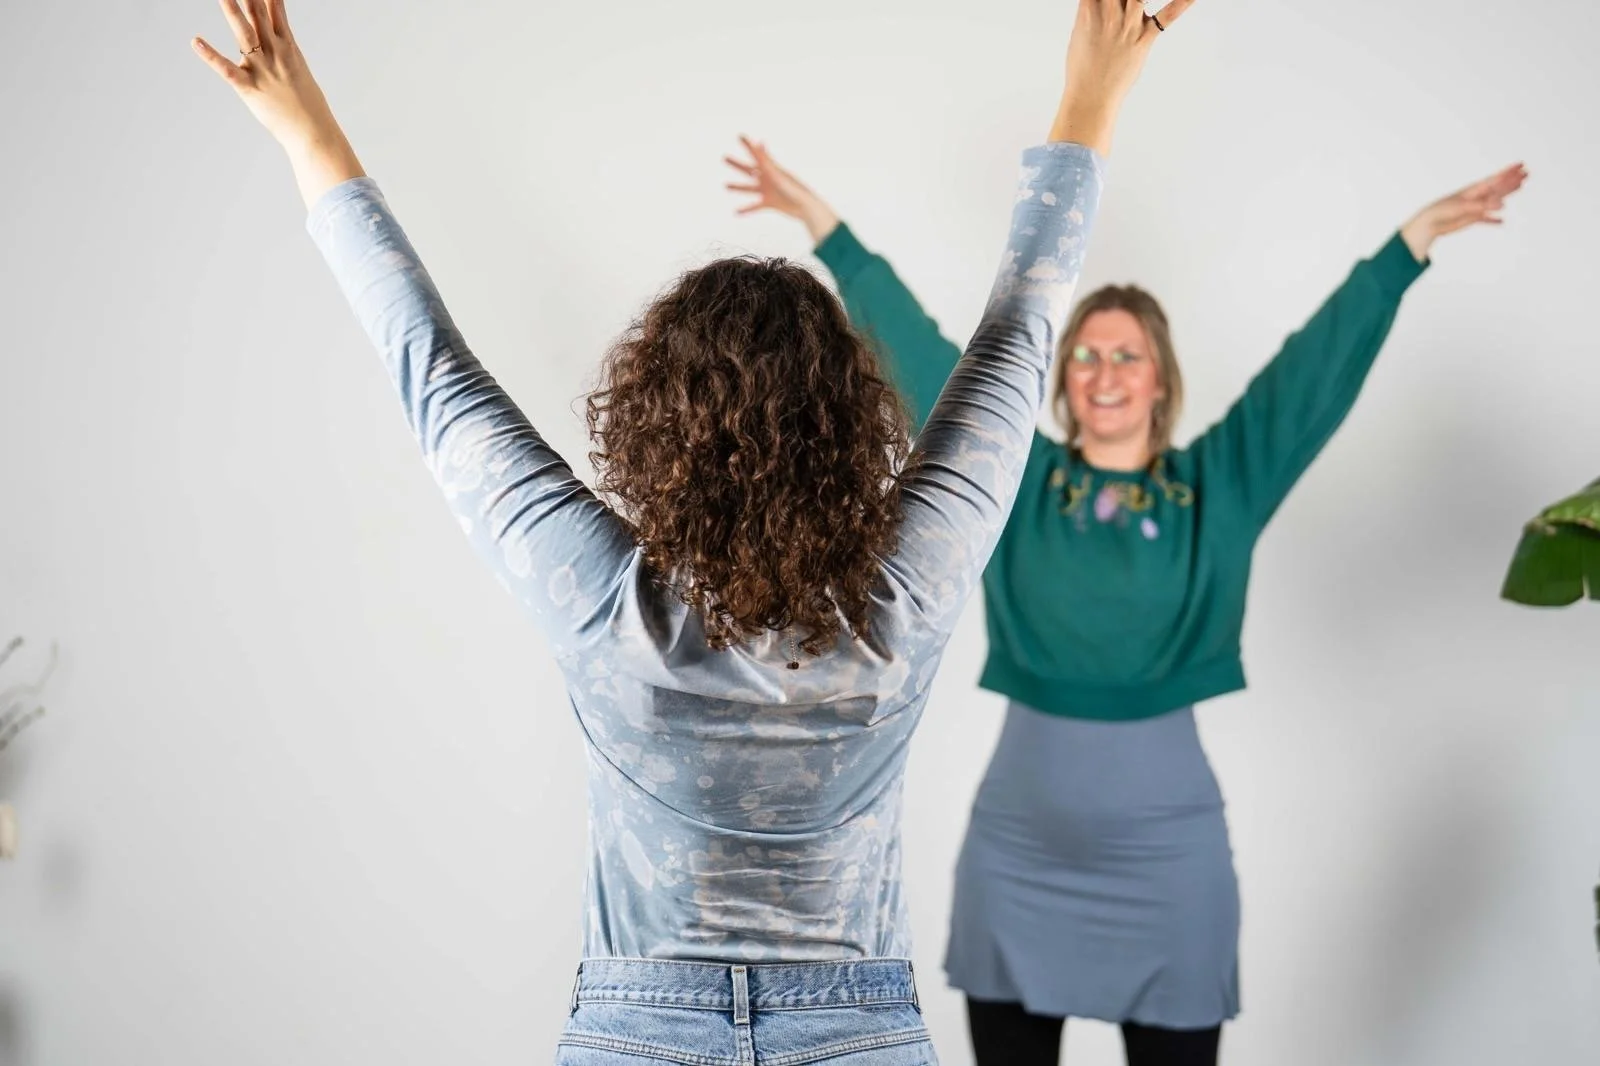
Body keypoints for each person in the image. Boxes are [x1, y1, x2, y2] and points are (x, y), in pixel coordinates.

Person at [190, 0, 1197, 1061]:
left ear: (650, 427)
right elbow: (1019, 336)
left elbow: (431, 369)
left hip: (636, 1035)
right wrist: (1092, 96)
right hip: (857, 1035)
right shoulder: (901, 593)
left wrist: (308, 132)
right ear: (847, 420)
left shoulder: (600, 596)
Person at [727, 123, 1524, 1066]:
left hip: (1169, 860)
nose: (1105, 374)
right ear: (1062, 380)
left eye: (1127, 356)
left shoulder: (1221, 484)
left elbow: (1305, 377)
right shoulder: (1019, 479)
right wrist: (831, 232)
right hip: (1020, 853)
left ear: (1159, 381)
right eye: (1087, 356)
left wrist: (1406, 249)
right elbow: (929, 358)